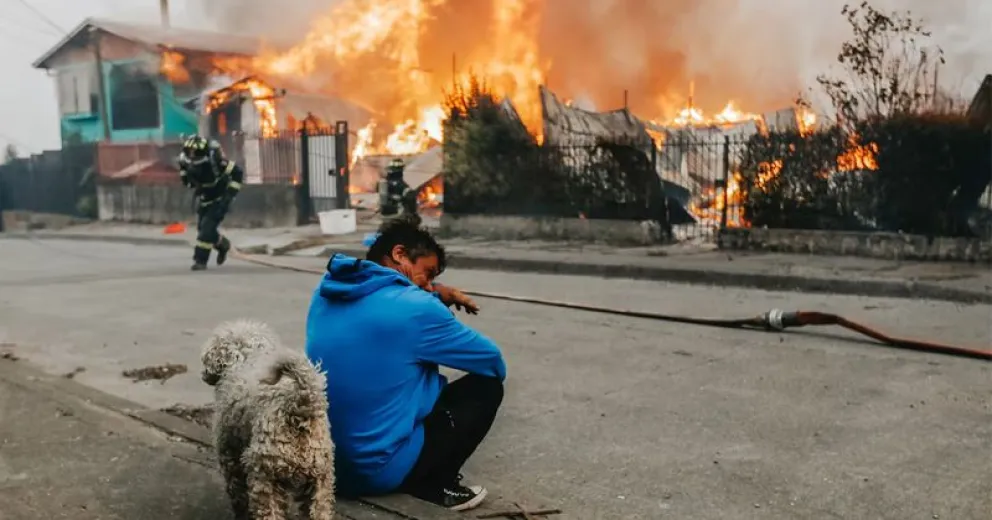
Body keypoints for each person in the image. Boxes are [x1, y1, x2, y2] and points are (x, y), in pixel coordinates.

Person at [305, 215, 506, 511]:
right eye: (428, 273)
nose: (429, 286)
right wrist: (434, 307)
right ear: (399, 254)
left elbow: (384, 312)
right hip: (375, 473)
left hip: (325, 465)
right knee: (486, 388)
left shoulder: (325, 293)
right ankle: (435, 484)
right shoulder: (418, 309)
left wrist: (433, 293)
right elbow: (492, 362)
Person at [177, 135, 244, 271]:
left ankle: (200, 261)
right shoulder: (185, 160)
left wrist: (229, 195)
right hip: (205, 198)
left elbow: (237, 173)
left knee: (206, 230)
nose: (192, 155)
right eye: (190, 152)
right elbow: (186, 178)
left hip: (220, 198)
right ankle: (223, 244)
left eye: (195, 152)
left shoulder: (216, 161)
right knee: (203, 229)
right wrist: (189, 181)